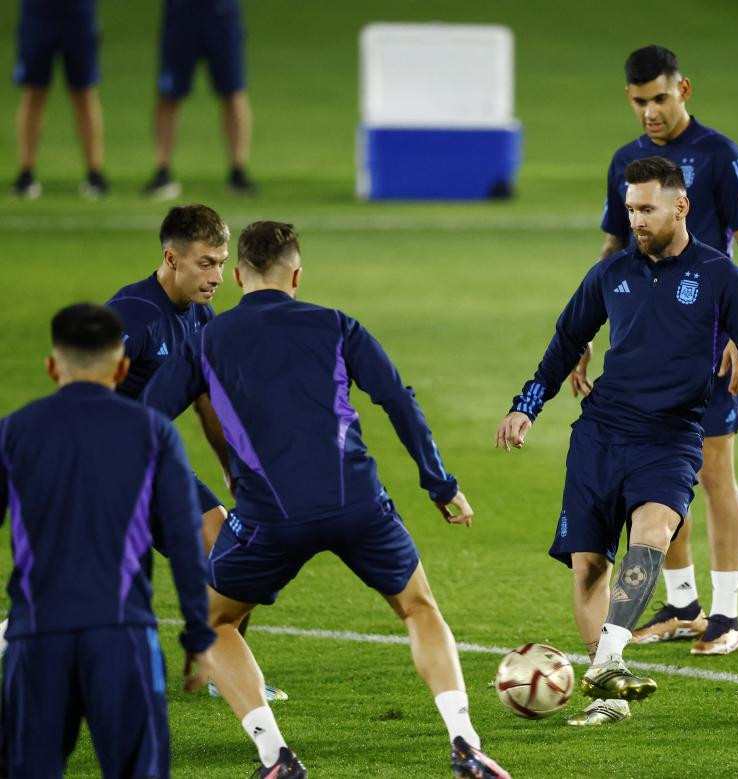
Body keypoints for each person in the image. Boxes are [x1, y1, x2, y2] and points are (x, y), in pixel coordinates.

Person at [142, 221, 508, 779]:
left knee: (213, 622)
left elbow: (145, 419)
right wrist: (440, 482)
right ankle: (465, 742)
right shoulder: (337, 324)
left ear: (238, 275)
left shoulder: (207, 340)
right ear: (297, 274)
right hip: (359, 503)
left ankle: (276, 758)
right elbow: (397, 400)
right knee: (417, 608)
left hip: (270, 516)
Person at [495, 157, 738, 727]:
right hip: (602, 433)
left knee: (653, 534)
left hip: (672, 436)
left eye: (647, 209)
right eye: (631, 209)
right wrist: (525, 407)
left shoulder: (716, 273)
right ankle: (607, 697)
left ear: (680, 207)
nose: (636, 219)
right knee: (588, 567)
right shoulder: (611, 274)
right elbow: (565, 343)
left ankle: (608, 658)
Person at [574, 46, 738, 659]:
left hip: (708, 346)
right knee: (660, 476)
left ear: (683, 88)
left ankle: (727, 614)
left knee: (714, 473)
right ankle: (684, 605)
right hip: (647, 350)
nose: (650, 111)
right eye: (638, 101)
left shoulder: (720, 154)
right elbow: (612, 251)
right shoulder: (627, 162)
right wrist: (585, 328)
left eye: (659, 97)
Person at [0, 303, 214, 778]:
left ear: (53, 366)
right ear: (121, 367)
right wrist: (199, 634)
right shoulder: (153, 432)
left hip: (36, 638)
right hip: (121, 636)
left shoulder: (14, 432)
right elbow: (183, 538)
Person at [100, 203, 286, 703]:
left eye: (223, 263)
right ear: (171, 258)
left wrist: (234, 471)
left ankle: (225, 674)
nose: (218, 276)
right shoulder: (132, 314)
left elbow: (208, 401)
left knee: (234, 558)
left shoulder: (202, 318)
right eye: (206, 263)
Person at [143, 0, 256, 199]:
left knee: (233, 90)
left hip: (222, 11)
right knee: (169, 93)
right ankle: (162, 170)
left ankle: (238, 171)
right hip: (181, 12)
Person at [10, 0, 108, 199]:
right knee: (34, 91)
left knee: (84, 91)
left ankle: (95, 173)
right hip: (38, 12)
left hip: (78, 12)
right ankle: (26, 172)